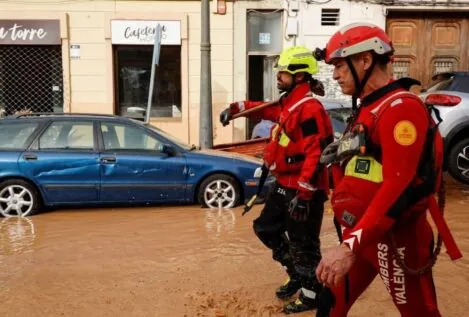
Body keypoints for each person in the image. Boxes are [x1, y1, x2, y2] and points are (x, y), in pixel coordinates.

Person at [313, 22, 462, 316]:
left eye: (340, 65)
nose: (335, 75)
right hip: (364, 233)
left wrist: (348, 248)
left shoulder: (400, 108)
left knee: (419, 313)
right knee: (328, 304)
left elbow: (397, 188)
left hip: (396, 239)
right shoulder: (368, 107)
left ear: (366, 60)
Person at [220, 45, 333, 314]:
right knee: (265, 228)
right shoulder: (290, 103)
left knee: (303, 244)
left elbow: (315, 153)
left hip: (304, 191)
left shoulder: (310, 109)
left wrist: (305, 196)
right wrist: (235, 109)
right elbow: (265, 109)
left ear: (301, 75)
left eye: (283, 72)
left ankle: (311, 295)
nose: (278, 77)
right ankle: (296, 273)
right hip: (284, 184)